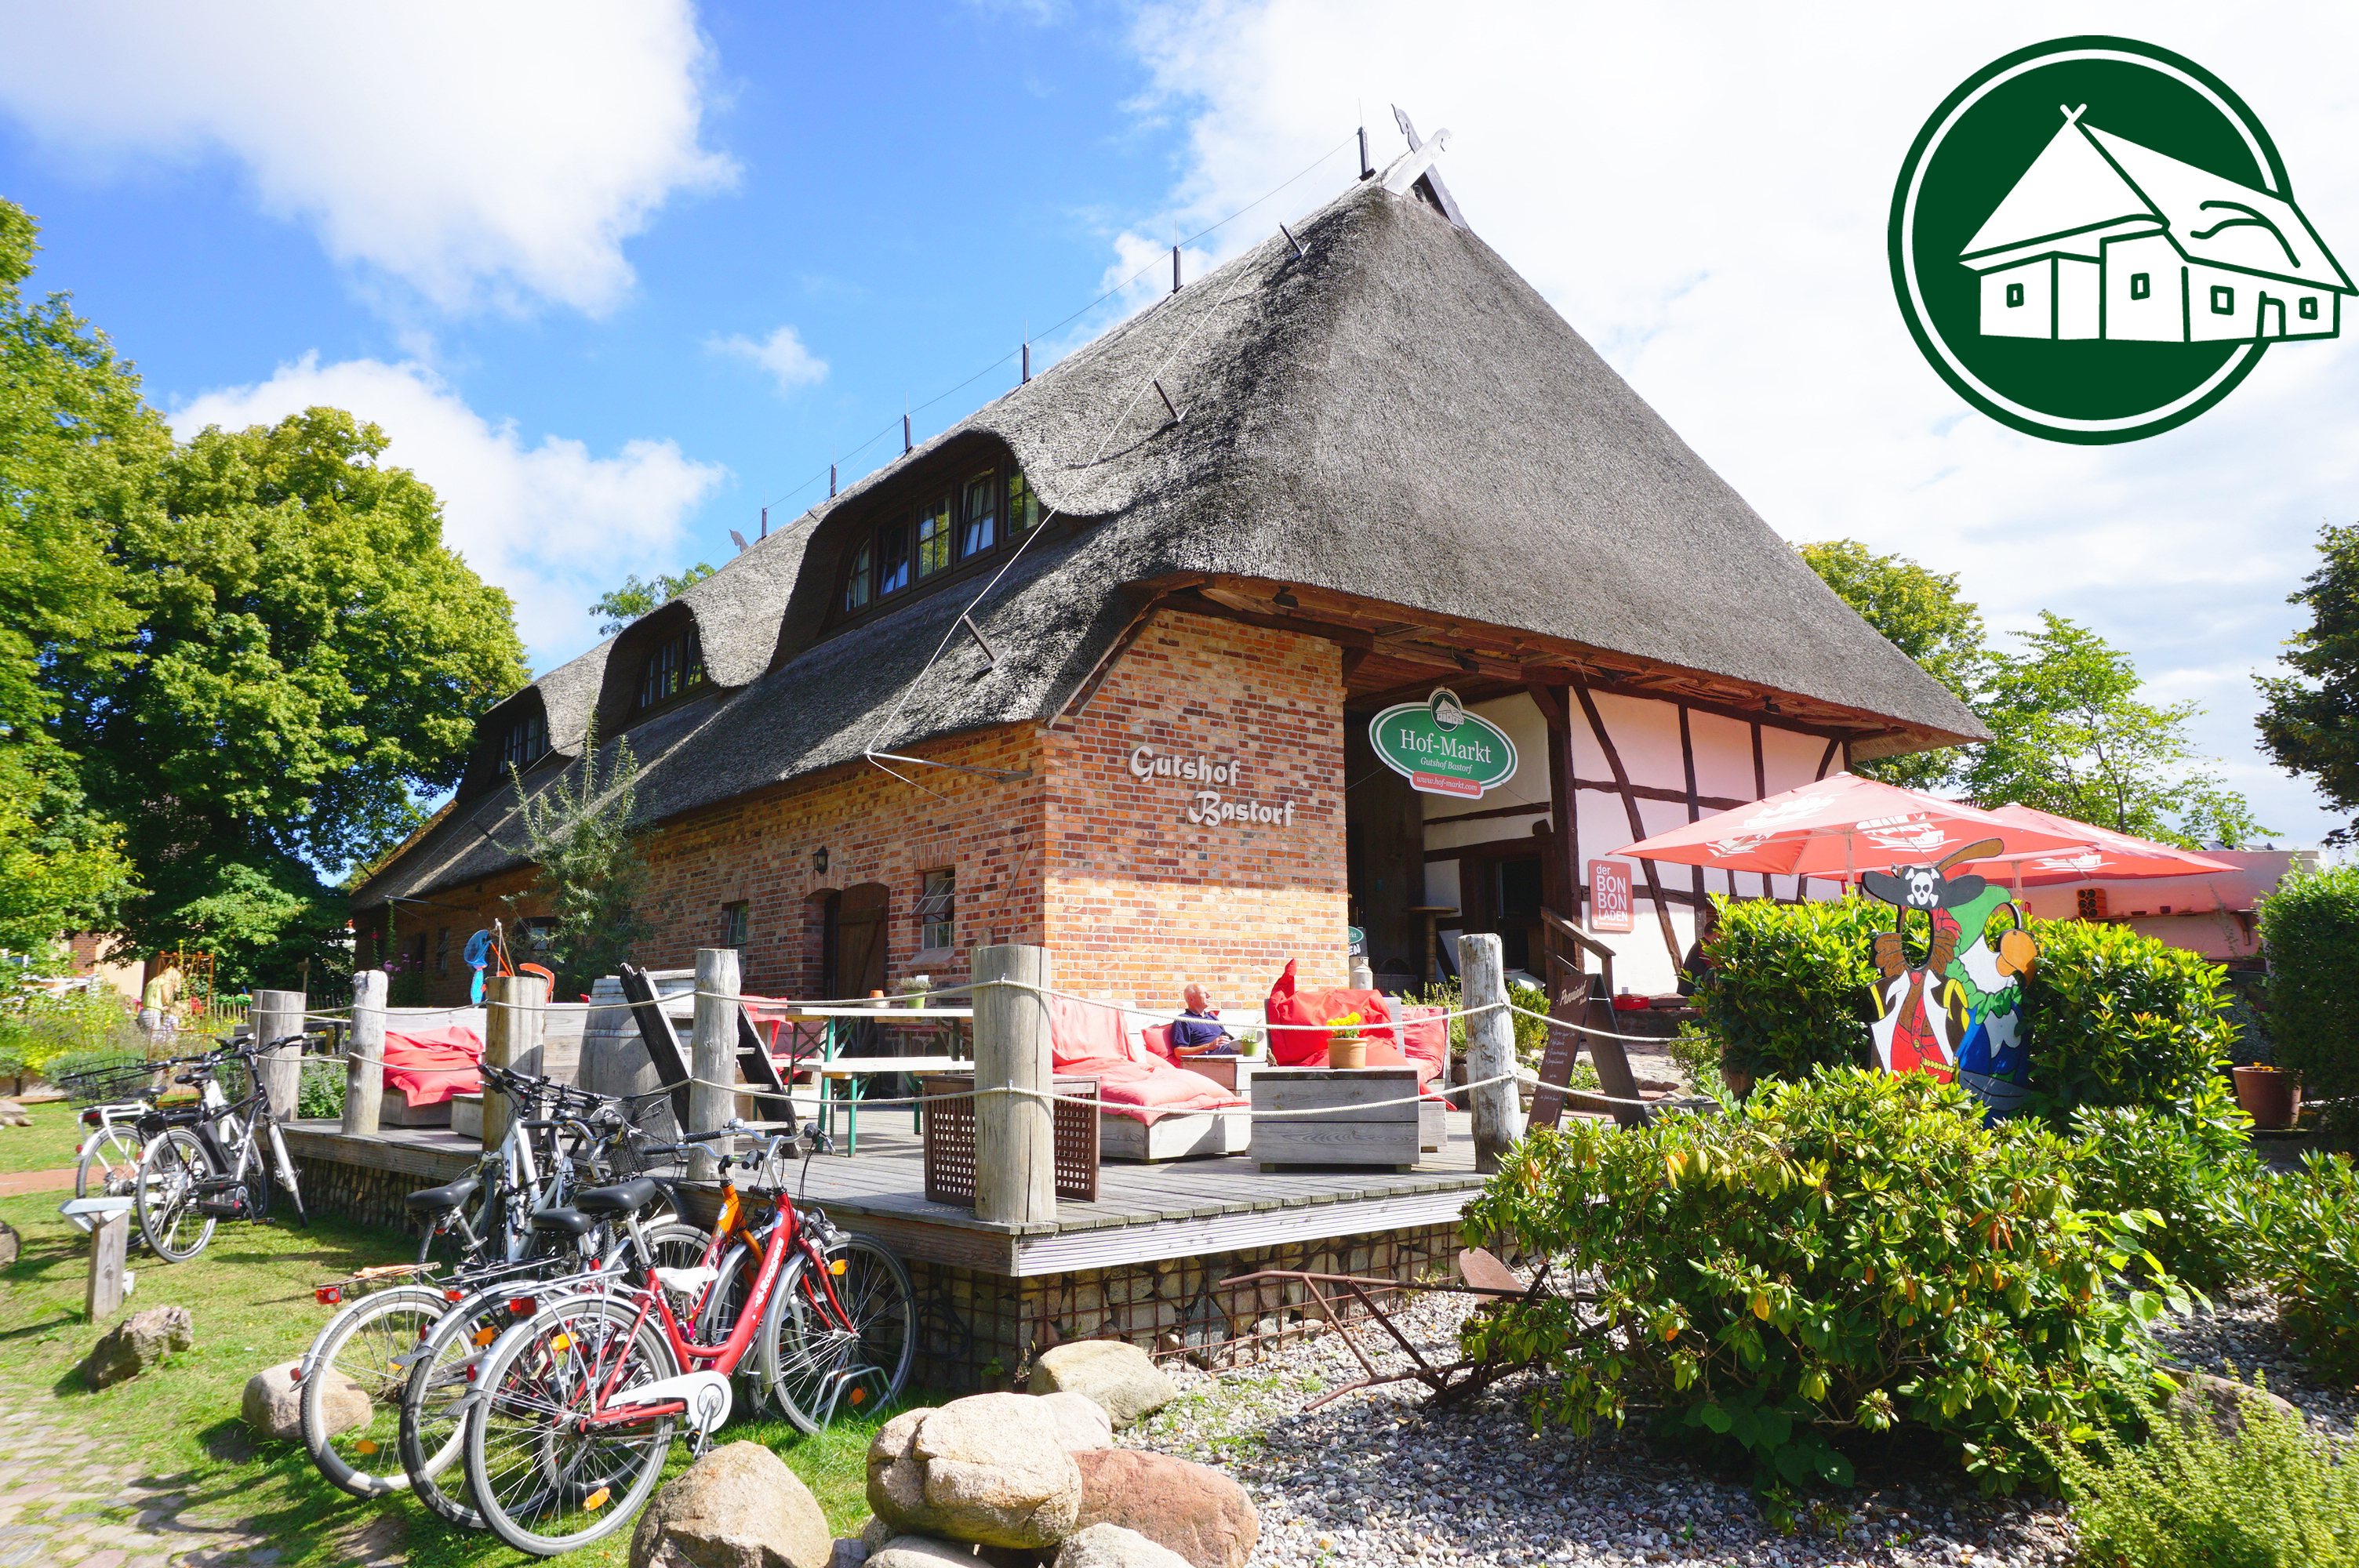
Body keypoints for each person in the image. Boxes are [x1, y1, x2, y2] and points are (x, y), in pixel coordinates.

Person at [1170, 983, 1237, 1057]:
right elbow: (1179, 1052)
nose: (1209, 995)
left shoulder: (1213, 1018)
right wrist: (1210, 1046)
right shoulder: (1183, 1020)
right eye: (1204, 993)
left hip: (1226, 1049)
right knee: (1245, 1049)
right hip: (1208, 1056)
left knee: (1248, 1043)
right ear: (1191, 999)